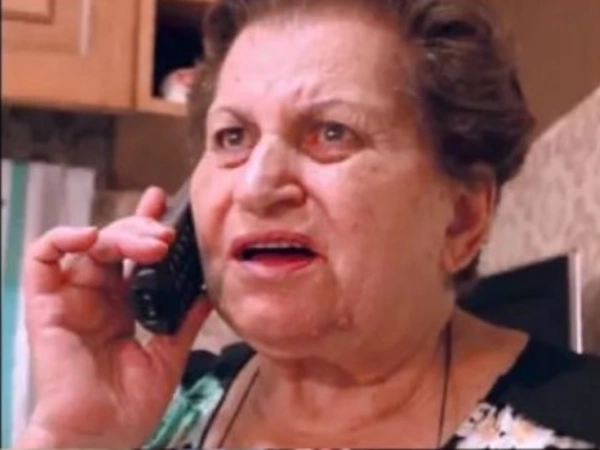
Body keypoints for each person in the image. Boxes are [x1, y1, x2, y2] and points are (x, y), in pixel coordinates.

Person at [16, 0, 600, 448]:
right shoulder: (156, 410)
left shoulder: (578, 421)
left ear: (462, 220)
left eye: (332, 132)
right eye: (233, 137)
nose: (257, 186)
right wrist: (72, 439)